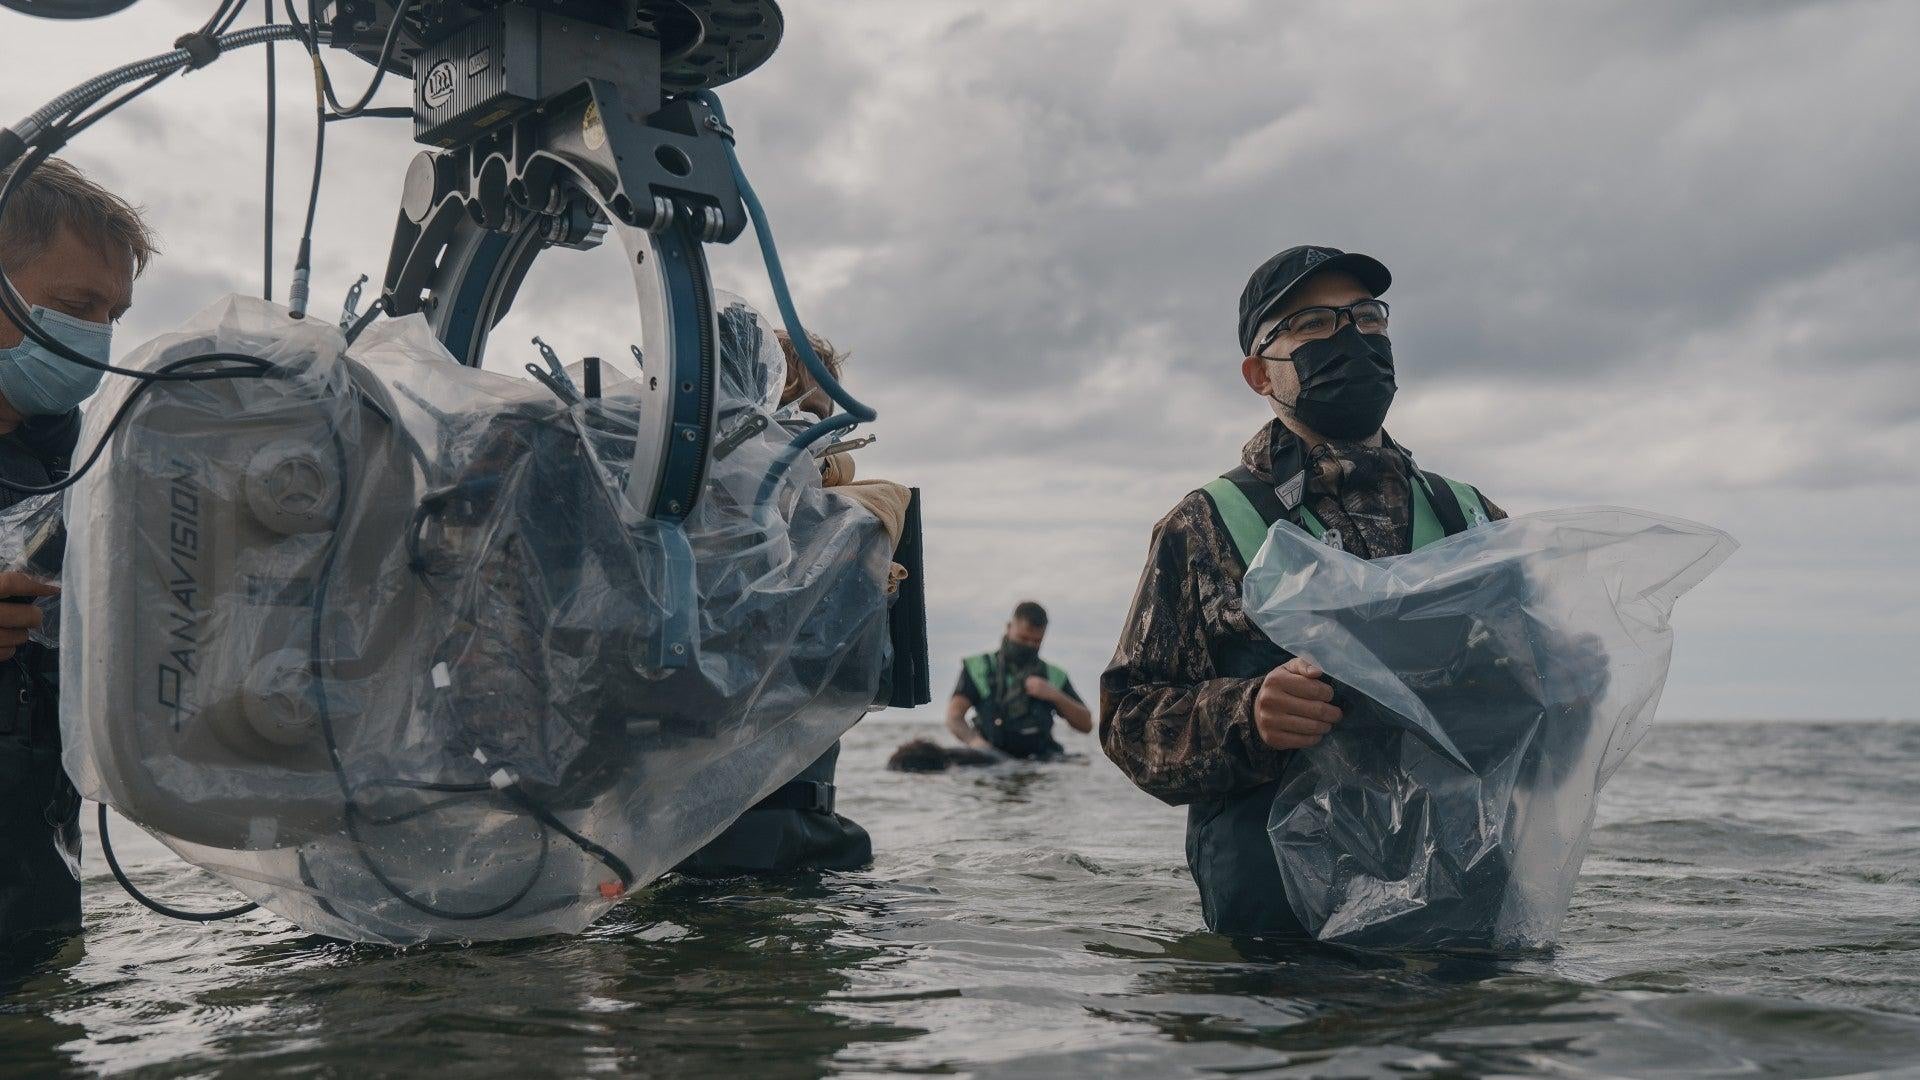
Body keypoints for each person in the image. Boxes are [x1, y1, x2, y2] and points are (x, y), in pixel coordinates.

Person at [1099, 245, 1506, 937]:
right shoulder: (1205, 524)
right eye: (1315, 324)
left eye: (1368, 318)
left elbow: (1556, 699)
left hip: (1460, 926)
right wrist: (1248, 713)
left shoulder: (1471, 518)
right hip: (1282, 952)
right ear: (1260, 373)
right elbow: (1128, 724)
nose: (1352, 337)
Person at [675, 325, 897, 876]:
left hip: (790, 834)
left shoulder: (835, 518)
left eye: (819, 414)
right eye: (792, 409)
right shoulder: (690, 520)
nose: (810, 430)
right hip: (723, 840)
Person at [0, 157, 152, 942]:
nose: (96, 338)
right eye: (75, 305)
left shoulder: (86, 463)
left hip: (37, 917)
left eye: (112, 313)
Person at [946, 601, 1092, 760]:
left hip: (1042, 762)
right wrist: (975, 743)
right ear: (1009, 628)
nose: (1029, 645)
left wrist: (1054, 694)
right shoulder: (979, 667)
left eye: (1036, 641)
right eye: (1023, 638)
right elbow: (954, 717)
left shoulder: (1053, 675)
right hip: (992, 761)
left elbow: (1086, 725)